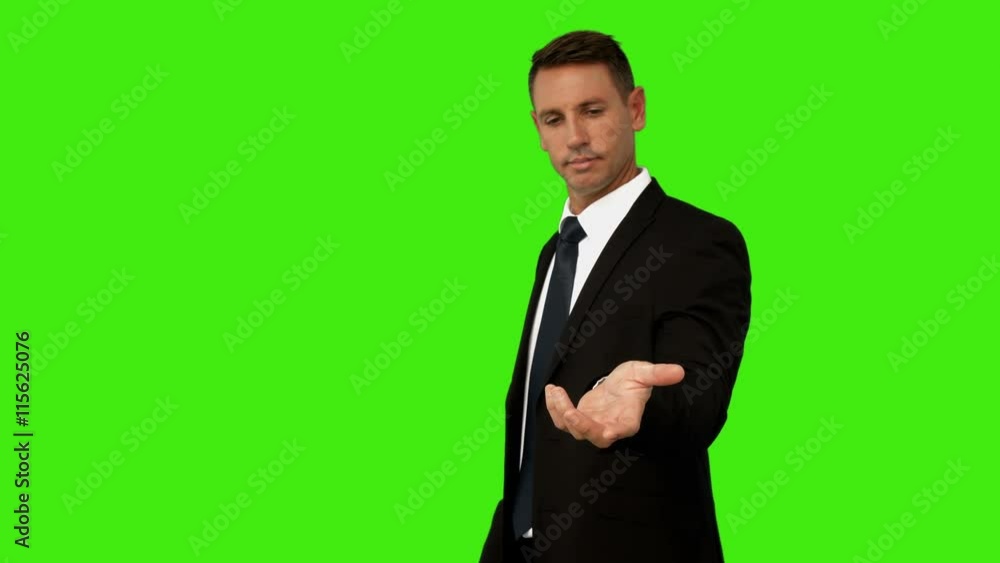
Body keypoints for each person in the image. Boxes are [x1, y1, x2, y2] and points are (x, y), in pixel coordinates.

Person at [478, 31, 752, 562]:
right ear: (538, 131)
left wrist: (643, 404)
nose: (575, 136)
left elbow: (699, 400)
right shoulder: (555, 252)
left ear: (636, 109)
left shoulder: (697, 241)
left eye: (592, 110)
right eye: (554, 119)